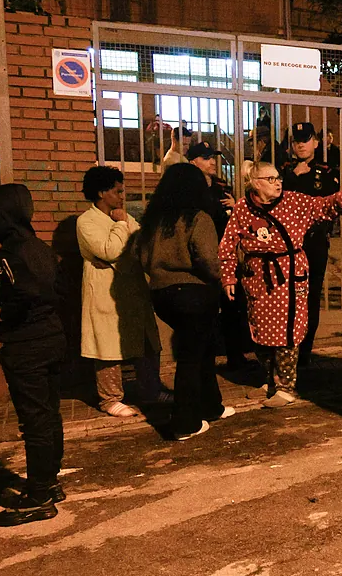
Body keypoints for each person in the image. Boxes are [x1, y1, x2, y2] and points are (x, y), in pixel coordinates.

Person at [220, 162, 342, 408]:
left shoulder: (293, 200)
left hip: (290, 273)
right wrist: (229, 276)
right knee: (260, 332)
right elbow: (228, 242)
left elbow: (321, 205)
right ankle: (271, 379)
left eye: (279, 178)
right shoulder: (243, 208)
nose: (278, 183)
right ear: (255, 182)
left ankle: (286, 386)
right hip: (257, 276)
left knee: (288, 332)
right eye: (271, 178)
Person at [0, 184, 66, 526]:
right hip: (53, 337)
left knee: (35, 419)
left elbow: (25, 294)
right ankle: (50, 481)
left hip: (28, 345)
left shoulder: (11, 252)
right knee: (49, 413)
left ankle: (39, 495)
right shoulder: (39, 246)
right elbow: (56, 289)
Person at [138, 163, 233, 440]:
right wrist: (217, 276)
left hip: (162, 293)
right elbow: (208, 260)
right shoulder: (198, 218)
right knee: (191, 358)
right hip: (194, 293)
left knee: (201, 351)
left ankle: (211, 406)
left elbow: (142, 257)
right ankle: (185, 422)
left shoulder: (154, 219)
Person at [76, 166, 168, 418]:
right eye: (117, 191)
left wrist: (124, 233)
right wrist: (120, 226)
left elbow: (140, 243)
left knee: (146, 341)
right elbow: (109, 250)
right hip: (105, 292)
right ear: (102, 192)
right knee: (107, 346)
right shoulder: (86, 221)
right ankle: (110, 398)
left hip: (132, 289)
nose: (121, 196)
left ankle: (151, 389)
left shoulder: (124, 217)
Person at [280, 122, 341, 370]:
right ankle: (286, 349)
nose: (301, 144)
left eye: (306, 139)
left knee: (311, 297)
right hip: (287, 246)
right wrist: (293, 177)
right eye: (297, 140)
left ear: (316, 142)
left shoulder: (326, 172)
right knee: (286, 297)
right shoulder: (283, 172)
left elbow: (331, 205)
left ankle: (305, 351)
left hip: (313, 244)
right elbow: (277, 202)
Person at [188, 140, 249, 369]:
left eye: (213, 157)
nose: (212, 162)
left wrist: (235, 207)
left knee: (233, 306)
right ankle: (206, 359)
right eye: (206, 158)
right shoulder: (189, 189)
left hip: (225, 254)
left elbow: (233, 217)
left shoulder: (221, 185)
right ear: (193, 162)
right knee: (206, 309)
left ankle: (236, 356)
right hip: (202, 256)